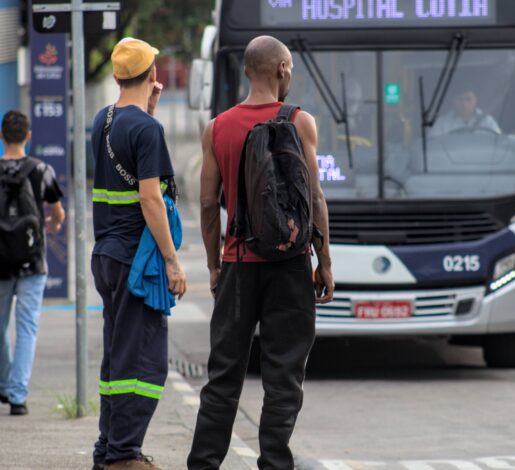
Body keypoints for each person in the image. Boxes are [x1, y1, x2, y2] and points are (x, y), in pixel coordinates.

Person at [187, 35, 334, 470]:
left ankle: (204, 464)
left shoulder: (217, 127)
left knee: (223, 376)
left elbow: (209, 202)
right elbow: (315, 196)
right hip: (290, 265)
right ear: (283, 69)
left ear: (247, 71)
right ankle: (274, 463)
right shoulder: (301, 122)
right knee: (283, 375)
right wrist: (323, 262)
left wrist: (215, 265)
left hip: (237, 263)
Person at [90, 38, 187, 470]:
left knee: (117, 356)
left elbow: (125, 164)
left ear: (115, 76)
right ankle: (124, 455)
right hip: (137, 262)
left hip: (107, 256)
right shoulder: (148, 130)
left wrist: (147, 110)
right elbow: (150, 199)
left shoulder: (103, 120)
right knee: (145, 362)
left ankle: (108, 450)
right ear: (152, 75)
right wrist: (172, 260)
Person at [0, 110, 65, 416]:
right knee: (27, 327)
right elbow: (57, 212)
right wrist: (51, 225)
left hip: (0, 262)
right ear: (28, 135)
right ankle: (17, 395)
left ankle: (4, 382)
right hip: (33, 261)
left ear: (1, 136)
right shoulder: (41, 169)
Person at [429, 89, 502, 136]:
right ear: (453, 101)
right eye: (460, 99)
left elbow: (498, 142)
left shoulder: (487, 121)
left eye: (468, 99)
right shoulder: (442, 123)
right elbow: (433, 146)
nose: (464, 104)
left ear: (475, 100)